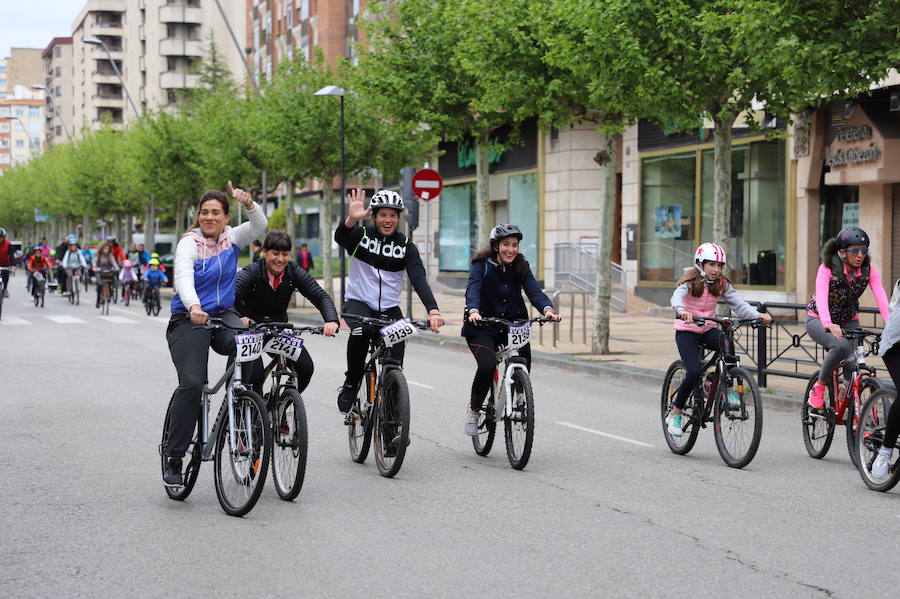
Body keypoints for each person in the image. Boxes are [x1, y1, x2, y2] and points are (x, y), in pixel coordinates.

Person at [163, 182, 267, 487]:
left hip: (223, 315)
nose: (209, 217)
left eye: (216, 213)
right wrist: (194, 306)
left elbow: (260, 226)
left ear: (224, 217)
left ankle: (241, 398)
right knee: (193, 384)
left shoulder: (232, 237)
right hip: (188, 319)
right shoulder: (189, 243)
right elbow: (183, 277)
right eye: (204, 212)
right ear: (198, 216)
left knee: (248, 344)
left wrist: (249, 204)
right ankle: (174, 456)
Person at [334, 188, 444, 415]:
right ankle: (352, 383)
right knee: (361, 332)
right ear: (374, 216)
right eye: (383, 214)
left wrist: (433, 310)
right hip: (358, 303)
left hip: (389, 309)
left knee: (395, 355)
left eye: (393, 215)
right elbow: (341, 237)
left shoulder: (406, 247)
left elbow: (419, 279)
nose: (388, 220)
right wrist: (351, 220)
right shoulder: (361, 236)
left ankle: (392, 421)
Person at [462, 224, 560, 435]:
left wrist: (548, 308)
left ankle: (520, 394)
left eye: (515, 245)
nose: (511, 250)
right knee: (487, 367)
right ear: (496, 246)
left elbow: (533, 290)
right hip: (482, 324)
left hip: (513, 323)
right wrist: (474, 310)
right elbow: (474, 288)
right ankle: (474, 409)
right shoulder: (482, 264)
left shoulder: (521, 265)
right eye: (506, 244)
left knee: (523, 356)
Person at [666, 243, 772, 437]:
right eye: (712, 265)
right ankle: (675, 412)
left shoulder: (721, 283)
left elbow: (740, 305)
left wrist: (757, 315)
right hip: (687, 330)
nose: (716, 270)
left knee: (727, 344)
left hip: (707, 328)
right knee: (693, 371)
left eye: (719, 265)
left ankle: (722, 386)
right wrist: (681, 311)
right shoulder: (689, 282)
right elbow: (676, 298)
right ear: (700, 264)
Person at [234, 230, 339, 397]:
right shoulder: (251, 272)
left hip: (277, 330)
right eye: (275, 253)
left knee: (305, 368)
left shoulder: (293, 271)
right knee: (255, 376)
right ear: (264, 252)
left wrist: (331, 320)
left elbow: (319, 296)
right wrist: (240, 316)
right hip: (250, 330)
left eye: (285, 254)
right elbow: (229, 299)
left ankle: (284, 403)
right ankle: (254, 414)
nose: (280, 259)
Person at [805, 227, 890, 409]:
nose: (860, 255)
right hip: (818, 319)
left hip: (849, 319)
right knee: (841, 345)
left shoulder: (868, 271)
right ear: (842, 252)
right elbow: (821, 298)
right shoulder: (826, 269)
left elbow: (882, 298)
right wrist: (828, 324)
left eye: (864, 250)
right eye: (855, 251)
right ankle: (819, 386)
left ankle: (849, 400)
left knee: (853, 360)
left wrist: (891, 325)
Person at [93, 242, 120, 308]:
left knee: (111, 282)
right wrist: (95, 267)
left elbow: (114, 262)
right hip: (99, 271)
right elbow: (95, 263)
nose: (106, 250)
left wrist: (116, 268)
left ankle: (109, 295)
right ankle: (98, 300)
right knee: (99, 284)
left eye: (108, 248)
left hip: (108, 271)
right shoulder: (98, 255)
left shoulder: (110, 255)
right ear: (102, 249)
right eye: (105, 248)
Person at [0, 228, 13, 297]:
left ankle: (5, 289)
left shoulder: (8, 244)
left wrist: (13, 265)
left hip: (5, 264)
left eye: (1, 237)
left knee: (6, 275)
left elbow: (11, 255)